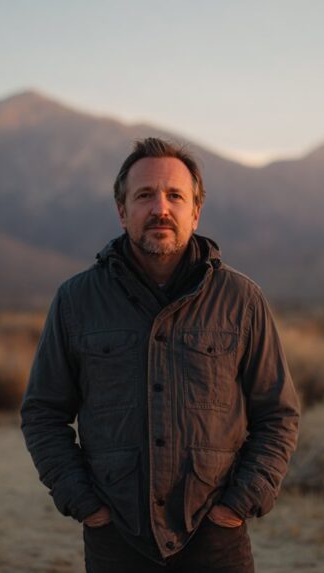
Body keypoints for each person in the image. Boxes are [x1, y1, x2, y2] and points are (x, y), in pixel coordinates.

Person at [20, 137, 300, 572]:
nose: (160, 208)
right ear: (122, 210)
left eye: (175, 196)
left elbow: (278, 414)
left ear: (196, 211)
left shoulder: (241, 301)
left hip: (215, 539)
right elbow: (43, 413)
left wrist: (238, 505)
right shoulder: (76, 301)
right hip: (117, 539)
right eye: (145, 195)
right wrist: (85, 504)